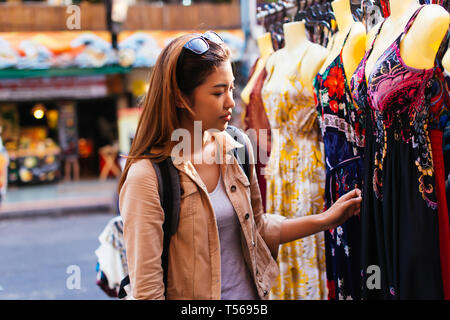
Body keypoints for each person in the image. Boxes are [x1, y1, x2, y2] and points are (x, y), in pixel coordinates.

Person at [118, 31, 362, 300]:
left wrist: (327, 219)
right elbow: (148, 291)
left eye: (231, 88)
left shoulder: (237, 147)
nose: (231, 102)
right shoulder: (149, 177)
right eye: (218, 92)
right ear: (180, 98)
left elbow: (259, 229)